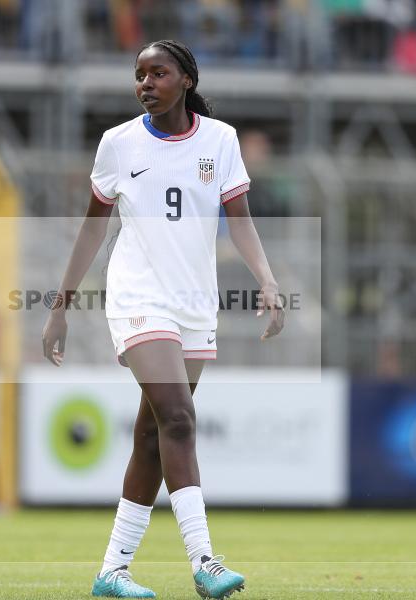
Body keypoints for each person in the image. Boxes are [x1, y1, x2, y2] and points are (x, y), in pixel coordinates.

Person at [42, 39, 284, 599]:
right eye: (139, 75)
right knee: (178, 418)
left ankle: (112, 573)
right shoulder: (118, 144)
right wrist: (61, 307)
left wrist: (268, 280)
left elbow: (240, 221)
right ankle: (204, 561)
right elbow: (93, 228)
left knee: (152, 435)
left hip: (195, 302)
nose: (145, 83)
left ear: (187, 81)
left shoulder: (220, 142)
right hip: (138, 297)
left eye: (158, 73)